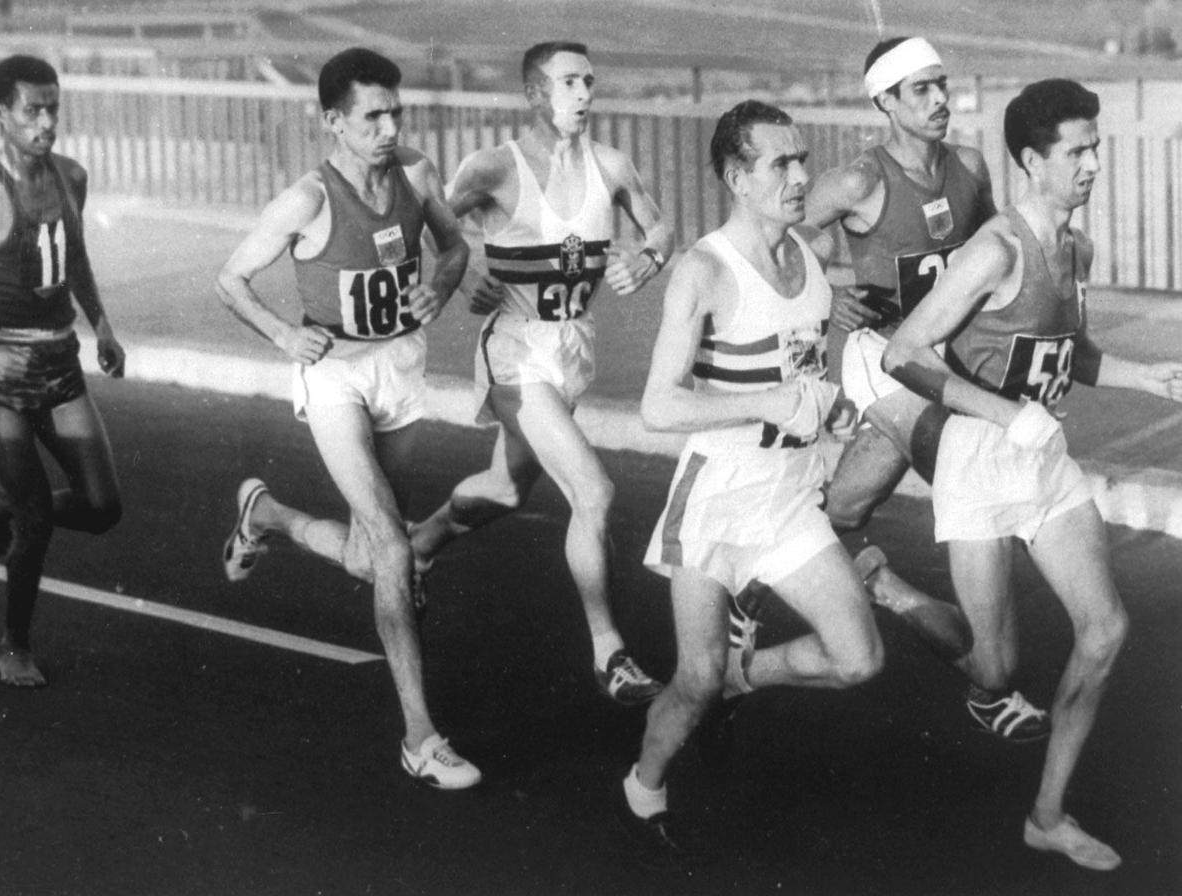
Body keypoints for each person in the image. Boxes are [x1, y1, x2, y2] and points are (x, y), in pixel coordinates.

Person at [885, 78, 1182, 871]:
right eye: (1076, 151)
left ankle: (1047, 814)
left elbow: (1067, 351)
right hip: (980, 463)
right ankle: (895, 592)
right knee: (995, 669)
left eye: (1095, 147)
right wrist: (1001, 413)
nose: (1092, 164)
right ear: (1029, 160)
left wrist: (1147, 377)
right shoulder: (996, 249)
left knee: (1107, 628)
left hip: (1044, 458)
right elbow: (904, 352)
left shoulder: (1074, 247)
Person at [617, 100, 883, 866]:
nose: (803, 176)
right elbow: (658, 405)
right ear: (738, 177)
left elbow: (801, 372)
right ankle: (644, 788)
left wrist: (828, 421)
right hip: (718, 493)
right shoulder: (704, 270)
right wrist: (767, 403)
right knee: (690, 682)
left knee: (858, 658)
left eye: (802, 160)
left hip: (789, 492)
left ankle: (746, 673)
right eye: (782, 164)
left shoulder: (808, 258)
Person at [215, 48, 480, 790]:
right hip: (332, 375)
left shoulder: (417, 175)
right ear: (333, 121)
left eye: (396, 112)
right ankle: (421, 738)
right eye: (373, 117)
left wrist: (438, 287)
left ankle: (266, 515)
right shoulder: (307, 199)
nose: (390, 128)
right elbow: (230, 280)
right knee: (395, 554)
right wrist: (282, 336)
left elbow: (455, 246)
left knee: (372, 557)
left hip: (400, 366)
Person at [406, 42, 674, 705]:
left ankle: (418, 544)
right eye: (569, 83)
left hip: (573, 353)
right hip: (514, 354)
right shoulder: (495, 168)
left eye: (589, 81)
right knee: (594, 491)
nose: (584, 93)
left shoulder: (610, 166)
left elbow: (661, 226)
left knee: (505, 488)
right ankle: (608, 651)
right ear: (536, 94)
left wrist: (648, 258)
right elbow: (423, 217)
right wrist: (465, 271)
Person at [802, 36, 1048, 740]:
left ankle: (781, 582)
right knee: (974, 475)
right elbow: (778, 233)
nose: (941, 100)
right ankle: (990, 684)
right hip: (882, 358)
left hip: (945, 360)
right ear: (884, 101)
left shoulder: (968, 166)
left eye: (943, 85)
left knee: (842, 512)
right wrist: (832, 293)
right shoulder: (857, 181)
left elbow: (993, 250)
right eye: (921, 90)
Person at [0, 54, 124, 688]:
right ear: (0, 115)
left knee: (101, 506)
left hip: (59, 361)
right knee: (39, 515)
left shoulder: (72, 177)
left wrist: (103, 325)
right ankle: (14, 643)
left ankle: (1, 502)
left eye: (53, 109)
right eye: (32, 111)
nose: (46, 122)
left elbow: (76, 256)